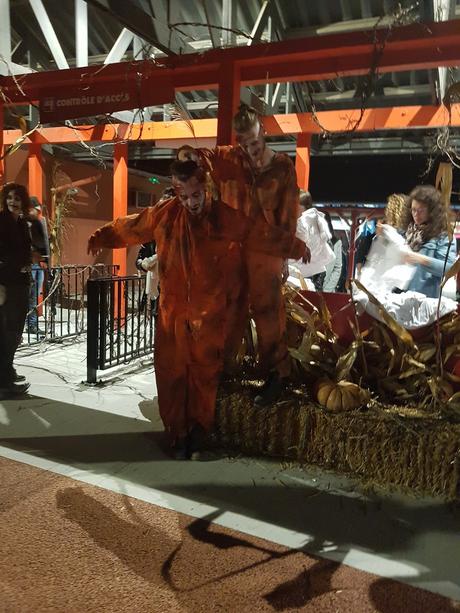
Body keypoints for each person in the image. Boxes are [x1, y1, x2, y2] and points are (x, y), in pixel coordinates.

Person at [88, 160, 306, 459]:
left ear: (205, 188)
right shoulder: (164, 215)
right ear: (176, 191)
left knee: (203, 375)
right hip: (172, 315)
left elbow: (258, 232)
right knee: (170, 373)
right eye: (184, 196)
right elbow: (132, 226)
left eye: (196, 195)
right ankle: (177, 435)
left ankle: (198, 434)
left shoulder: (225, 218)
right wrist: (103, 235)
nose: (191, 203)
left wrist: (293, 246)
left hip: (209, 317)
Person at [178, 103, 310, 406]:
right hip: (233, 250)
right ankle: (222, 371)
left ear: (262, 132)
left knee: (268, 312)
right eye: (243, 141)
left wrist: (285, 257)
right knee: (229, 311)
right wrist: (190, 154)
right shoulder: (229, 158)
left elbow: (288, 214)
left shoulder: (282, 166)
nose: (249, 147)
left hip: (265, 251)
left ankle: (277, 376)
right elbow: (206, 157)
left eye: (253, 140)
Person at [0, 183, 33, 397]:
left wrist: (29, 262)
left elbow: (24, 250)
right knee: (6, 334)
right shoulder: (1, 221)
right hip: (5, 284)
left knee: (15, 332)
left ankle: (8, 372)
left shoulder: (21, 222)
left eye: (17, 198)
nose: (13, 202)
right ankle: (3, 383)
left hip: (20, 283)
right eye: (10, 198)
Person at [400, 185, 456, 298]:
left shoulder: (443, 236)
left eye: (421, 210)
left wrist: (422, 260)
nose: (416, 214)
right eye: (413, 210)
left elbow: (449, 269)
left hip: (423, 299)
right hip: (397, 295)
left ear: (432, 212)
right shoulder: (405, 231)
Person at [26, 197, 50, 336]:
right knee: (25, 296)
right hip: (27, 264)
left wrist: (47, 262)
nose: (38, 213)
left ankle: (32, 325)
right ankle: (22, 325)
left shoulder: (41, 222)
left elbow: (45, 242)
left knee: (35, 297)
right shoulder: (21, 222)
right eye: (36, 210)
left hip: (38, 264)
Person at [323, 212, 343, 292]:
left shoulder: (336, 243)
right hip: (310, 286)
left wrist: (327, 289)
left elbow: (337, 268)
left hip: (327, 288)